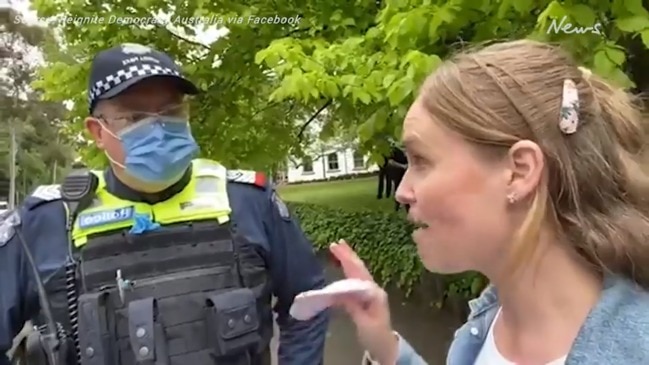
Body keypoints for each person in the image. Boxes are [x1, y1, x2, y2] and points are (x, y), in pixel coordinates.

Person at [0, 43, 329, 365]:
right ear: (97, 132)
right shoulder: (45, 223)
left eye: (171, 111)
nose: (158, 129)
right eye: (134, 117)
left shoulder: (247, 200)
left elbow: (308, 302)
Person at [332, 39, 649, 364]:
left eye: (422, 161)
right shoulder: (485, 327)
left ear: (519, 171)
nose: (402, 191)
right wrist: (386, 346)